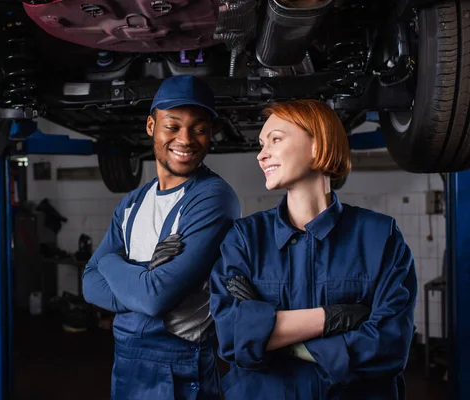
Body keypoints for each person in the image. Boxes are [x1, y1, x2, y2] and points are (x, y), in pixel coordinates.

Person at [209, 99, 417, 399]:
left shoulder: (380, 236)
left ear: (318, 146)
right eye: (261, 144)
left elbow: (389, 344)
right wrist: (331, 317)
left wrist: (269, 333)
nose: (261, 154)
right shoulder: (244, 238)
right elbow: (230, 338)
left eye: (275, 139)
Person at [82, 75, 241, 399]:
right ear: (151, 126)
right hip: (125, 364)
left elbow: (153, 298)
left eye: (199, 128)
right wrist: (144, 278)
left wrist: (112, 263)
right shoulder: (132, 203)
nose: (186, 139)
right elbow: (88, 285)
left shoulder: (213, 197)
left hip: (180, 368)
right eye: (173, 125)